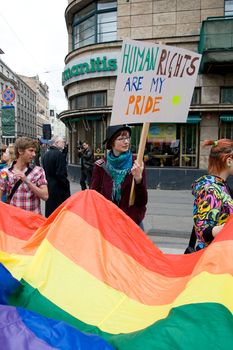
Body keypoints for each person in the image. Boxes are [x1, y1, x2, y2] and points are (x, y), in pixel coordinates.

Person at [90, 125, 148, 227]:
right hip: (108, 223)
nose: (126, 142)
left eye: (127, 138)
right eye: (121, 139)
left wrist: (138, 179)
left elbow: (142, 201)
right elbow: (94, 196)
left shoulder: (136, 163)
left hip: (131, 222)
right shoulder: (100, 166)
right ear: (112, 142)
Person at [192, 139, 233, 250]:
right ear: (229, 161)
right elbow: (203, 231)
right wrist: (228, 228)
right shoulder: (211, 189)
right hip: (212, 258)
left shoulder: (222, 186)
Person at [0, 137, 48, 214]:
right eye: (31, 151)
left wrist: (27, 181)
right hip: (14, 220)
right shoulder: (5, 172)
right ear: (20, 151)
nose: (34, 154)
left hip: (33, 221)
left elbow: (45, 196)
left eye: (34, 151)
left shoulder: (38, 171)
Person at [42, 136, 70, 217]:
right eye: (62, 142)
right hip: (58, 188)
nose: (64, 143)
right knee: (59, 212)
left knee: (50, 211)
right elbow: (61, 173)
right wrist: (66, 184)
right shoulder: (58, 154)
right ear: (56, 143)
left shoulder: (46, 154)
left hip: (49, 186)